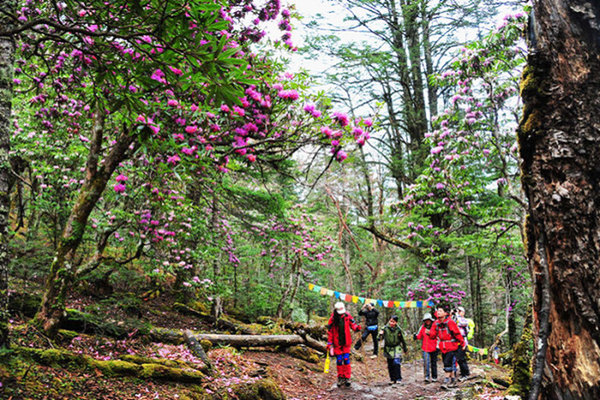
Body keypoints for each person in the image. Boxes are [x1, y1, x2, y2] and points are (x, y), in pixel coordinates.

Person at [429, 304, 465, 388]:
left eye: (440, 311)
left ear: (445, 313)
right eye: (437, 311)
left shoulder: (450, 322)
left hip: (452, 346)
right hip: (442, 347)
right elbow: (432, 335)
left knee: (447, 363)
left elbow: (457, 334)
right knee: (448, 363)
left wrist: (462, 343)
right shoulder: (436, 323)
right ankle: (453, 381)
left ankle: (446, 381)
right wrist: (430, 332)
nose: (438, 313)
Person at [327, 302, 362, 387]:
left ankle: (347, 377)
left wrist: (357, 328)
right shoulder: (332, 318)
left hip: (346, 342)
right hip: (337, 343)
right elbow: (330, 332)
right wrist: (329, 343)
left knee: (346, 359)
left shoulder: (347, 315)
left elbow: (353, 325)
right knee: (339, 360)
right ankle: (340, 377)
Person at [379, 315, 408, 385]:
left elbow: (403, 340)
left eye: (393, 322)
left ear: (396, 322)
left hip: (396, 348)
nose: (391, 323)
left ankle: (398, 378)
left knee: (396, 362)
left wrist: (405, 348)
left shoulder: (398, 330)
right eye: (390, 321)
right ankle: (392, 379)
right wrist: (380, 334)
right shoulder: (385, 328)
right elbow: (379, 339)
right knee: (390, 364)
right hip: (388, 348)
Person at [415, 313, 438, 382]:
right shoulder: (422, 327)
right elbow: (419, 336)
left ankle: (434, 377)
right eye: (426, 320)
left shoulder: (434, 326)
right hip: (425, 348)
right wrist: (415, 337)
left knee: (433, 363)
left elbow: (435, 335)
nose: (427, 322)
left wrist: (429, 333)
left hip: (434, 347)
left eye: (428, 320)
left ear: (431, 320)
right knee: (426, 362)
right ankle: (426, 377)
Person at [453, 306, 471, 381]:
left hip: (462, 341)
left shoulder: (464, 320)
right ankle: (464, 372)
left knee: (461, 358)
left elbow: (462, 323)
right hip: (456, 341)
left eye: (460, 311)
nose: (458, 313)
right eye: (458, 311)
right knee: (459, 358)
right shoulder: (455, 319)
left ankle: (465, 373)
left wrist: (457, 316)